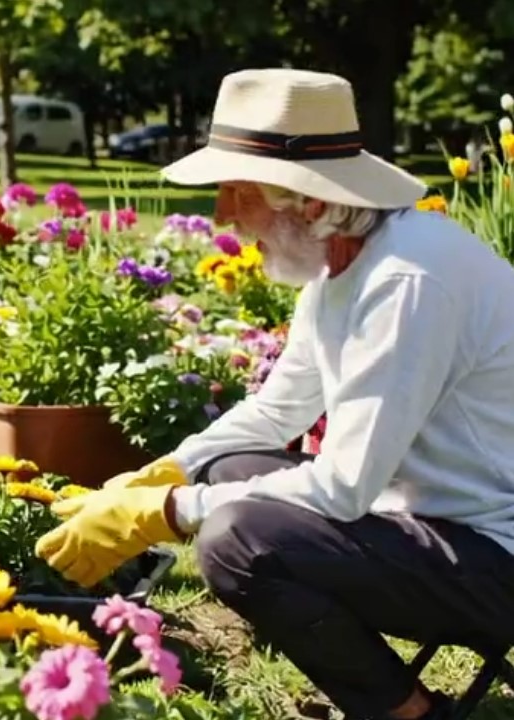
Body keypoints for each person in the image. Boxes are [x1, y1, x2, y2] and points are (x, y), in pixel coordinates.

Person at [34, 68, 514, 720]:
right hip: (440, 524)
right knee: (225, 470)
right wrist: (164, 472)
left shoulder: (407, 283)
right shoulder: (346, 259)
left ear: (309, 201)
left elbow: (344, 487)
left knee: (236, 538)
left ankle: (410, 716)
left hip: (495, 557)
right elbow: (278, 409)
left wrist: (166, 512)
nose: (221, 216)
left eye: (237, 190)